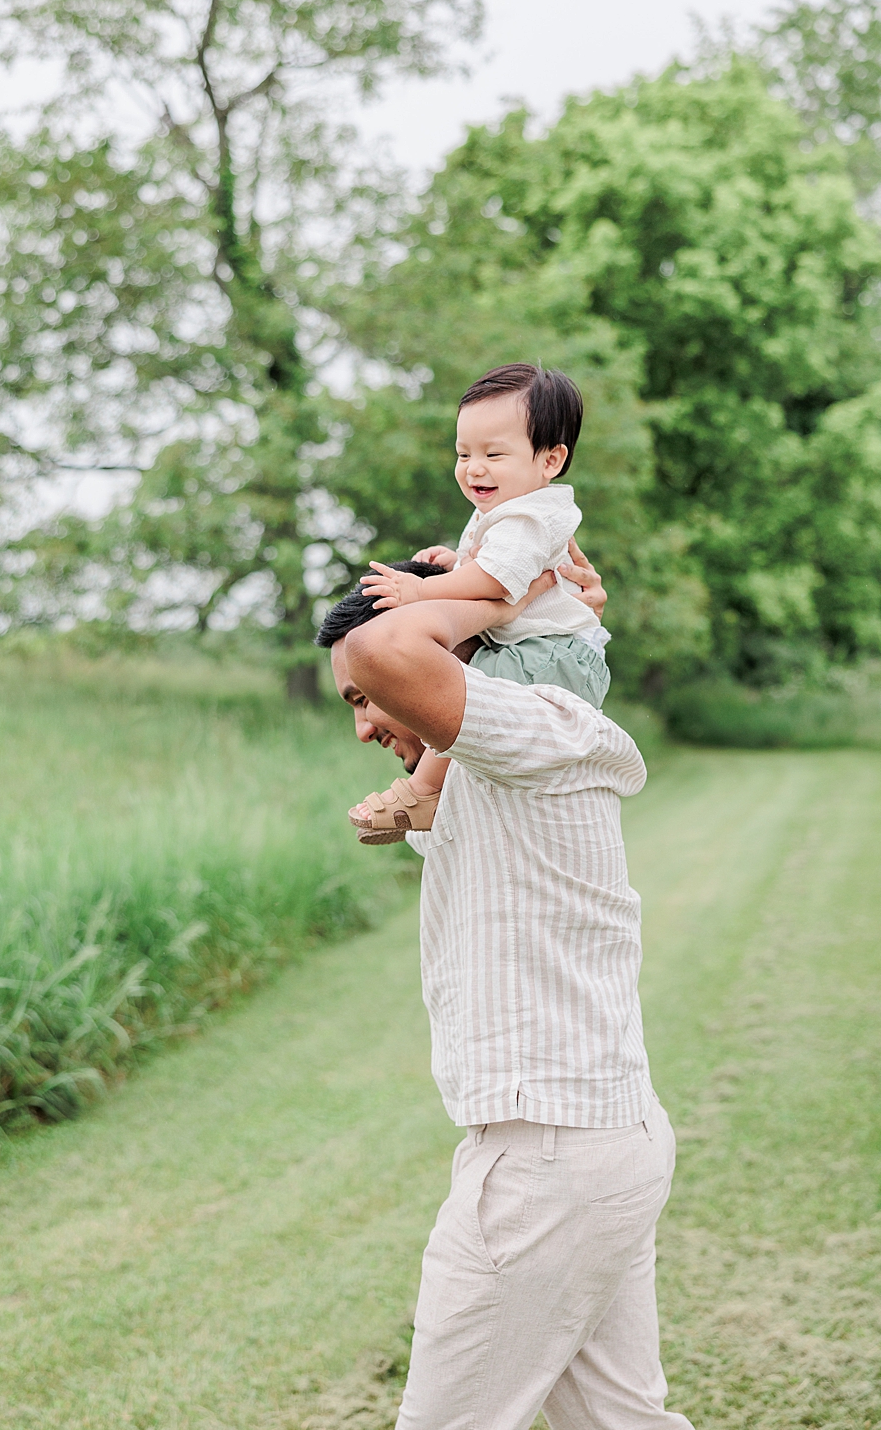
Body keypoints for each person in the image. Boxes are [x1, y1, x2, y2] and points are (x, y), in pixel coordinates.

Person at [314, 545, 693, 1429]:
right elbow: (425, 782)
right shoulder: (487, 763)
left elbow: (388, 654)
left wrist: (499, 588)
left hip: (546, 1163)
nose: (364, 723)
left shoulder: (533, 728)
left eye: (361, 703)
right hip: (596, 1144)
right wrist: (537, 594)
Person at [348, 364, 609, 845]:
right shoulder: (507, 508)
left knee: (476, 697)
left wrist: (423, 590)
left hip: (552, 654)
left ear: (550, 461)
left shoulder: (530, 515)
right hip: (541, 648)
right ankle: (427, 791)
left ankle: (422, 791)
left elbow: (494, 578)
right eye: (463, 453)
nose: (473, 467)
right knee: (473, 691)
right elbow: (491, 564)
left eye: (493, 453)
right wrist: (458, 560)